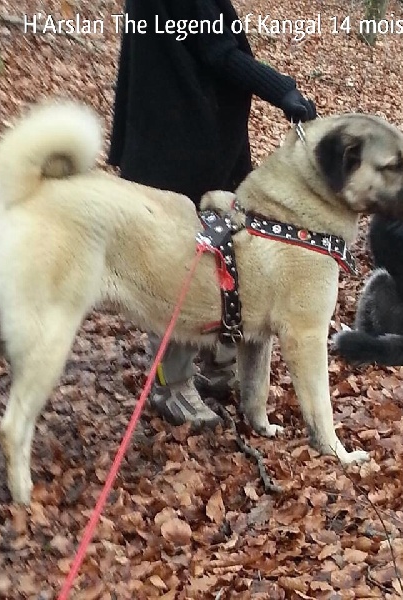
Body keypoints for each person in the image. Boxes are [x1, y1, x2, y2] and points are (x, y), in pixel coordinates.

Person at [108, 0, 317, 428]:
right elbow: (218, 51)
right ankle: (172, 385)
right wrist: (282, 90)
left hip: (183, 137)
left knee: (224, 251)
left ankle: (218, 365)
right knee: (181, 264)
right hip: (181, 146)